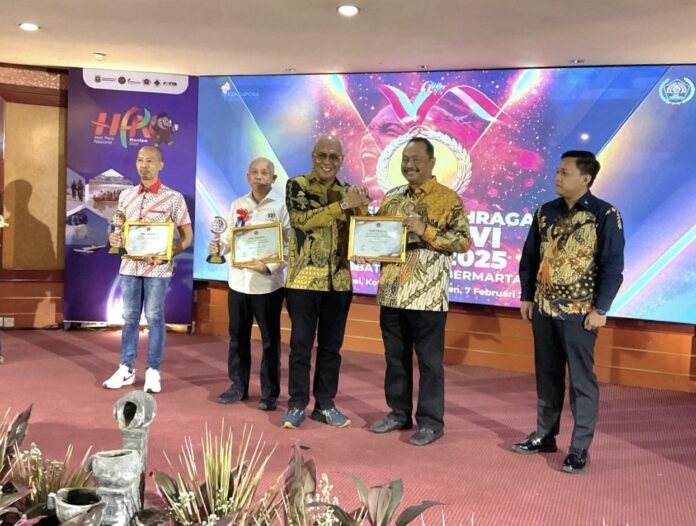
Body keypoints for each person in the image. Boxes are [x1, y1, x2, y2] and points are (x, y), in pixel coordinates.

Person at [512, 150, 624, 473]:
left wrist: (601, 308)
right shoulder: (545, 212)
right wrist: (527, 296)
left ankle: (579, 448)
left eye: (565, 173)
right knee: (547, 376)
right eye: (557, 172)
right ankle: (545, 435)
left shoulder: (604, 215)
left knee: (581, 382)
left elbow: (612, 265)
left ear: (585, 178)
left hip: (581, 314)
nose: (557, 178)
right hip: (544, 309)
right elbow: (530, 257)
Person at [367, 137, 471, 446]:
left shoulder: (448, 198)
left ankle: (431, 422)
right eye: (405, 160)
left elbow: (463, 241)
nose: (409, 165)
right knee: (395, 359)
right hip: (392, 292)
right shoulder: (392, 197)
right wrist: (364, 247)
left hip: (428, 296)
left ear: (432, 163)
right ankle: (398, 413)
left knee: (429, 363)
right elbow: (377, 236)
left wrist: (425, 230)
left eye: (416, 160)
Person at [281, 135, 370, 429]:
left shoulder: (350, 192)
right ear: (313, 156)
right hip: (303, 281)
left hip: (339, 282)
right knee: (300, 346)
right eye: (322, 155)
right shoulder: (297, 185)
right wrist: (344, 204)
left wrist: (364, 244)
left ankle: (325, 405)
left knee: (332, 347)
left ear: (342, 160)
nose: (327, 162)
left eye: (334, 156)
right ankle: (296, 404)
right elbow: (302, 221)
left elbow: (363, 229)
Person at [103, 145, 193, 393]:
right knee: (130, 317)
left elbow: (187, 237)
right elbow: (120, 230)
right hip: (129, 266)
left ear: (160, 165)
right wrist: (115, 239)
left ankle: (153, 371)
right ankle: (126, 367)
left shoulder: (173, 198)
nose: (144, 165)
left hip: (158, 270)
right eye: (140, 160)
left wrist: (166, 254)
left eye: (150, 161)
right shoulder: (126, 196)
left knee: (154, 318)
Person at [209, 157, 290, 411]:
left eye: (265, 172)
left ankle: (269, 393)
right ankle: (238, 386)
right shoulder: (238, 205)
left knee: (270, 341)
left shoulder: (282, 207)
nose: (259, 176)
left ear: (273, 178)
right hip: (238, 282)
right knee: (237, 338)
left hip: (267, 284)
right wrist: (219, 247)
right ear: (247, 177)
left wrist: (269, 266)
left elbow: (290, 245)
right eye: (254, 172)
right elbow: (228, 237)